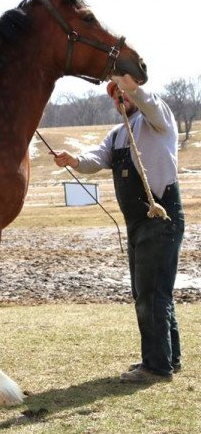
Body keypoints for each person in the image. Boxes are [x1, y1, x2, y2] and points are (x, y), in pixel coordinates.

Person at [52, 74, 185, 382]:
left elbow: (148, 103)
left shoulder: (157, 117)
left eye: (121, 92)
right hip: (137, 225)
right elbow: (95, 158)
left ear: (132, 93)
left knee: (152, 294)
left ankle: (155, 368)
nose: (118, 98)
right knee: (150, 292)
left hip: (161, 217)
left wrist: (131, 86)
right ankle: (168, 359)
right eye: (114, 95)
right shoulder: (116, 136)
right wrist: (73, 159)